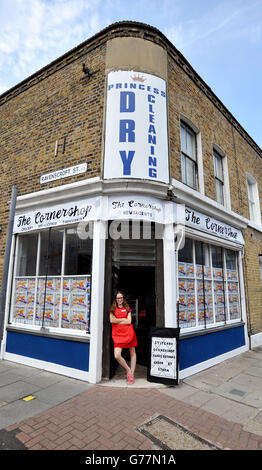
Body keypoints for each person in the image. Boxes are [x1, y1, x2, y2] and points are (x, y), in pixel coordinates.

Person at [110, 291, 137, 385]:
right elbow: (111, 320)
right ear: (116, 299)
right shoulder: (113, 309)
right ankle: (128, 370)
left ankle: (131, 374)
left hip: (129, 333)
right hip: (118, 335)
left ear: (123, 298)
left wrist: (117, 321)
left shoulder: (127, 308)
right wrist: (122, 319)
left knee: (132, 353)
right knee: (117, 355)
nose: (119, 300)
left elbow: (129, 321)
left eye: (121, 298)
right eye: (118, 298)